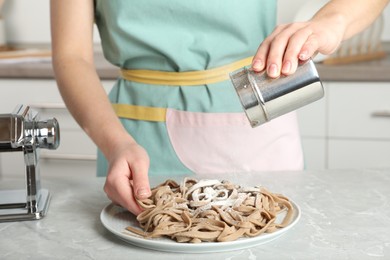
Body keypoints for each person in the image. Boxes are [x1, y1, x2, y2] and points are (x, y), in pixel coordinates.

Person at [50, 0, 389, 215]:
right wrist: (116, 143)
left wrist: (331, 22)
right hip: (133, 140)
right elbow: (71, 57)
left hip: (255, 119)